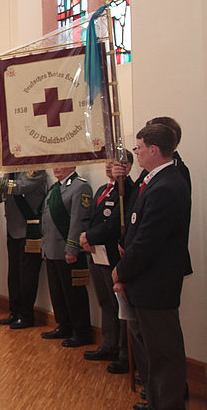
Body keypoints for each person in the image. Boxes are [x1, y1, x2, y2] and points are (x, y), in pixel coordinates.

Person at [113, 124, 191, 410]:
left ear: (154, 150)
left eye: (139, 148)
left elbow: (147, 242)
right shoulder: (155, 181)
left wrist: (121, 271)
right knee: (154, 354)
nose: (137, 153)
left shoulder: (167, 186)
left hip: (156, 285)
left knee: (164, 356)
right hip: (146, 282)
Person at [79, 153, 134, 373]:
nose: (109, 167)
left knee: (119, 306)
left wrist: (90, 236)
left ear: (127, 166)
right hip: (96, 254)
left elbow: (114, 224)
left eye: (114, 163)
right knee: (105, 302)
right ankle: (109, 345)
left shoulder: (126, 191)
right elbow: (90, 217)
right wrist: (86, 237)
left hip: (113, 255)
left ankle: (125, 353)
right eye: (107, 163)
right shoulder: (103, 190)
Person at [40, 166, 92, 347]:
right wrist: (44, 247)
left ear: (73, 164)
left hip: (67, 251)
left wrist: (72, 248)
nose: (56, 168)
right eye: (54, 164)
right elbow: (45, 220)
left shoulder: (80, 186)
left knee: (74, 294)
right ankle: (64, 325)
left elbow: (78, 220)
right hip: (52, 249)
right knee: (57, 292)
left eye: (61, 163)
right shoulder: (55, 188)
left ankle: (81, 331)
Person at [0, 169, 49, 329]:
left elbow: (18, 187)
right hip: (13, 230)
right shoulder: (11, 173)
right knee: (14, 275)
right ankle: (15, 312)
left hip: (29, 231)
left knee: (27, 276)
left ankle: (26, 316)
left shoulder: (36, 170)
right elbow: (0, 195)